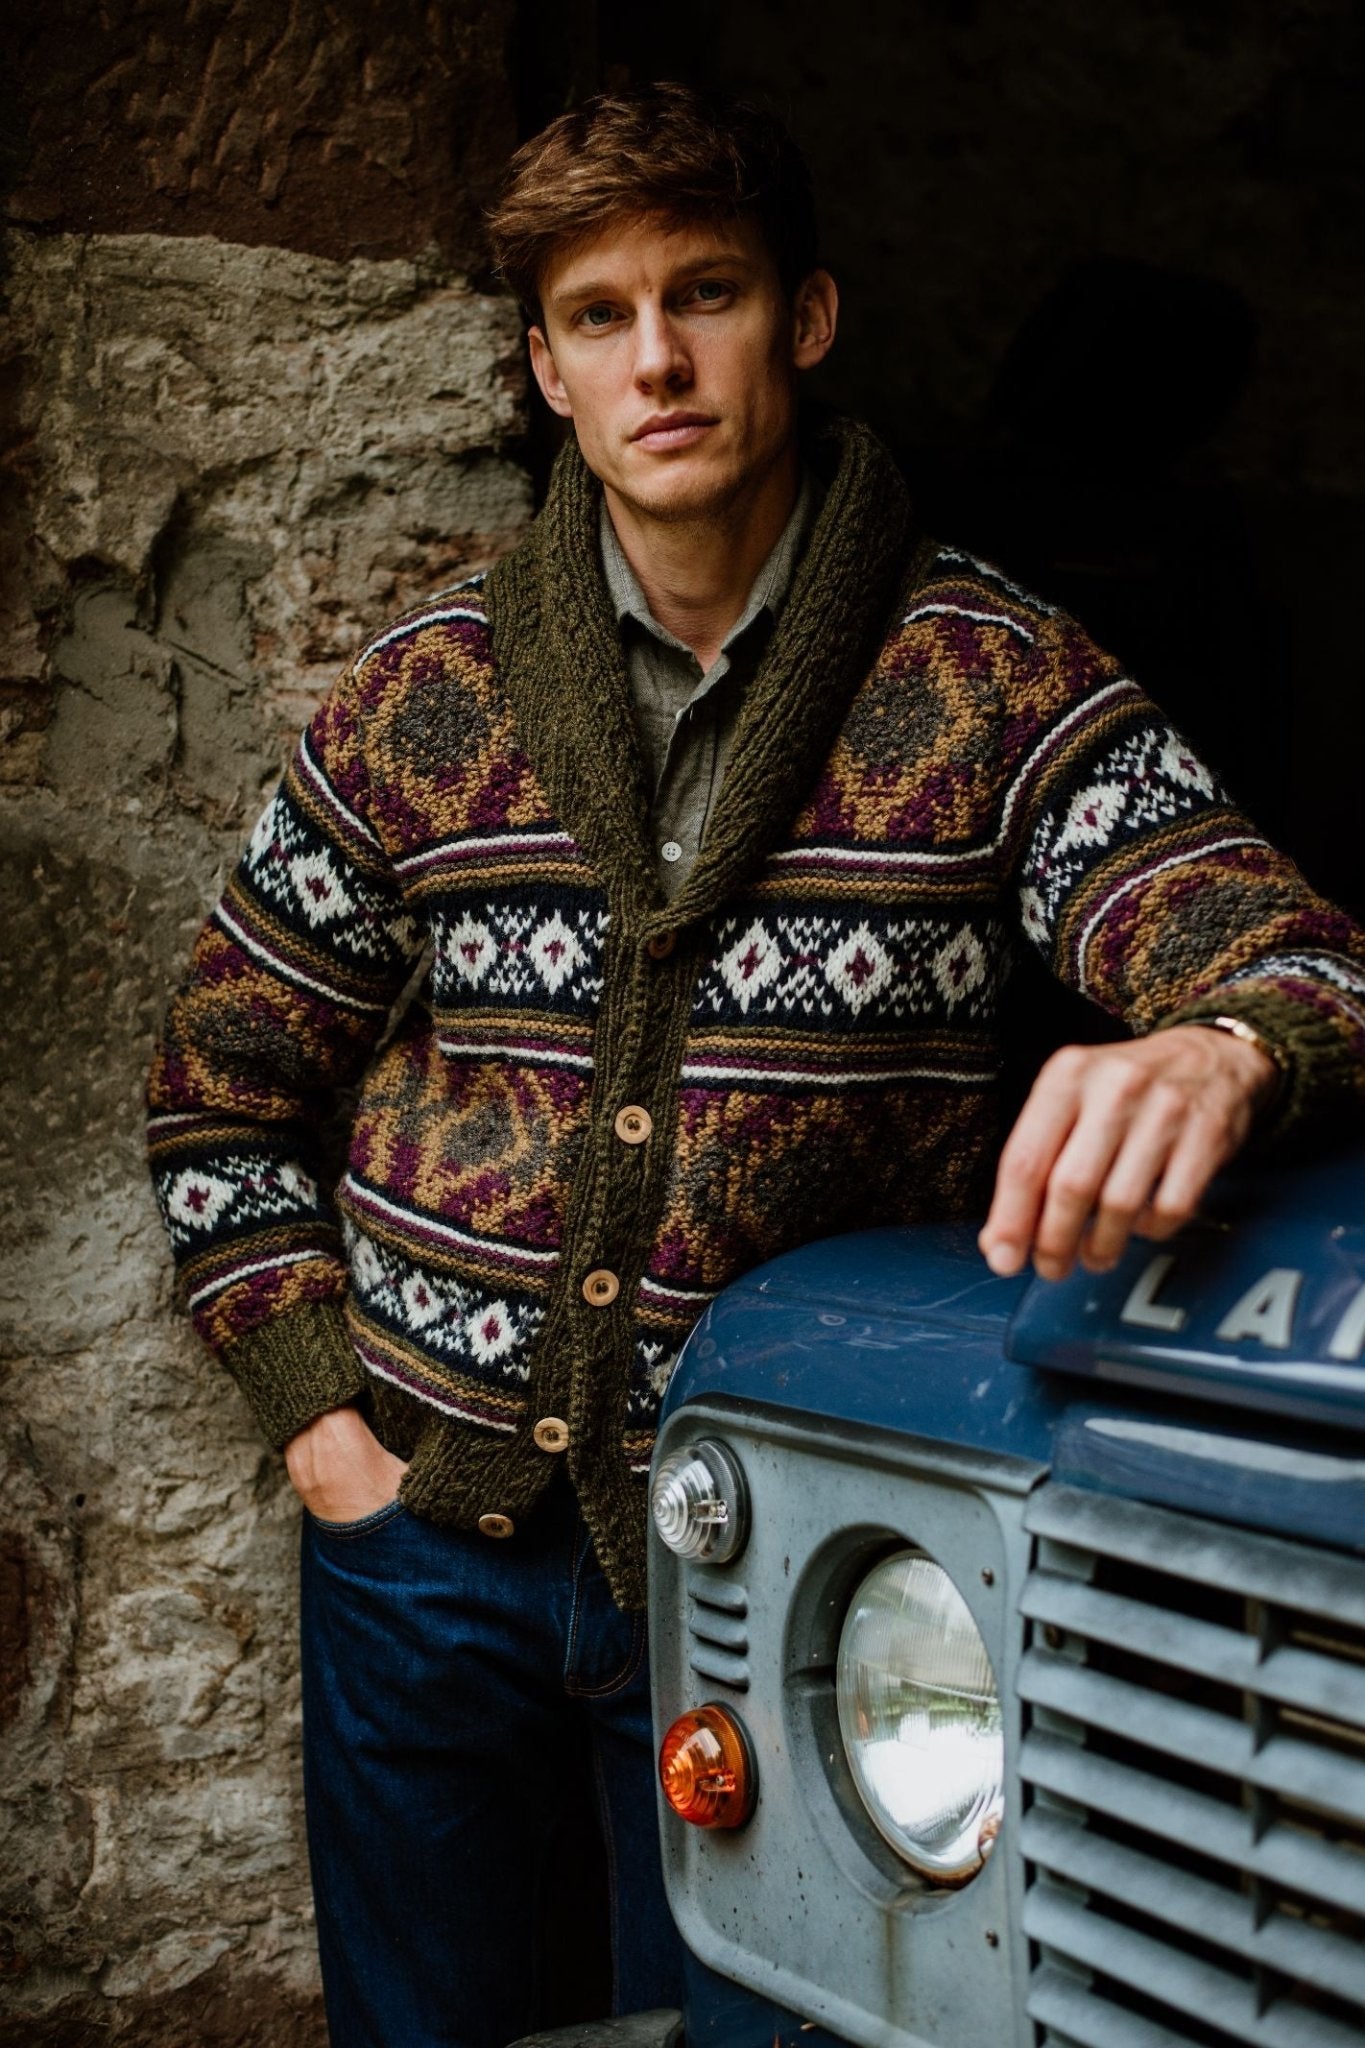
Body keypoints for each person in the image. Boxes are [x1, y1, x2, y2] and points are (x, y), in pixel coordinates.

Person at [147, 81, 1365, 2048]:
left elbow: (1285, 951)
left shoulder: (993, 676)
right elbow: (218, 1089)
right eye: (600, 315)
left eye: (700, 294)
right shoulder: (420, 696)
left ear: (799, 317)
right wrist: (325, 1433)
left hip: (778, 1574)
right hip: (410, 1563)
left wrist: (1225, 1043)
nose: (658, 359)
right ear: (541, 367)